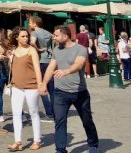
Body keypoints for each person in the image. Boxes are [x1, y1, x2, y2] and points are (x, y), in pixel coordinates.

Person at [40, 25, 99, 153]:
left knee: (87, 120)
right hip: (60, 92)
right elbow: (51, 67)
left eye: (56, 35)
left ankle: (93, 145)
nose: (54, 37)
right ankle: (60, 149)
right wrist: (43, 83)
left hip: (80, 92)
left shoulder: (80, 49)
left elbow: (78, 64)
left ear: (65, 36)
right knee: (60, 121)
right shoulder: (56, 49)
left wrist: (66, 71)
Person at [7, 27, 43, 151]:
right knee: (16, 114)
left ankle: (37, 140)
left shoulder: (32, 50)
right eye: (23, 36)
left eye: (27, 36)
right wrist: (10, 59)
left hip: (31, 86)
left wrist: (40, 84)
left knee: (33, 112)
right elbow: (12, 70)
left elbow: (37, 69)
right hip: (16, 86)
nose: (26, 38)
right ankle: (18, 141)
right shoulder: (14, 51)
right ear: (16, 37)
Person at [28, 16, 55, 122]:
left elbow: (32, 42)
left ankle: (49, 113)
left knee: (42, 87)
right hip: (50, 60)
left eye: (30, 23)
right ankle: (55, 112)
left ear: (35, 24)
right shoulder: (47, 33)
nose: (29, 24)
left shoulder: (34, 33)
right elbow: (55, 40)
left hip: (40, 61)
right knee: (52, 88)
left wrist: (38, 49)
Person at [0, 29, 10, 124]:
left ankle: (0, 115)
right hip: (9, 72)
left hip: (0, 72)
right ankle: (22, 115)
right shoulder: (7, 44)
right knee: (14, 94)